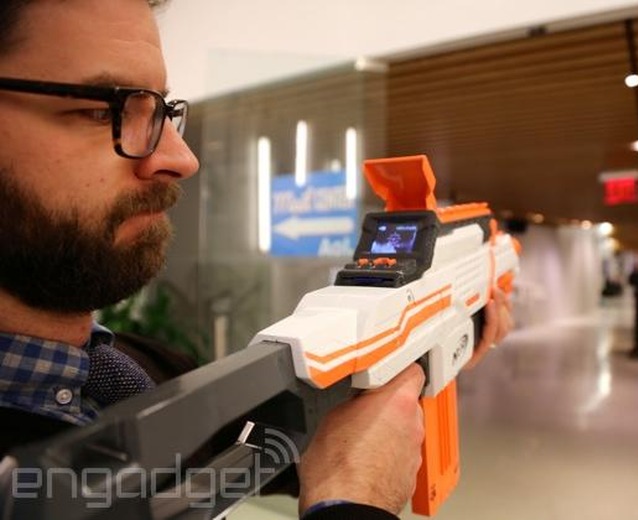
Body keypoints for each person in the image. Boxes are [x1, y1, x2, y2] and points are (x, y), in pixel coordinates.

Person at [0, 1, 514, 519]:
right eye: (103, 110)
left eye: (160, 111)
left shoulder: (136, 371)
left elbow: (308, 441)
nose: (181, 158)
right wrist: (353, 502)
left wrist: (432, 350)